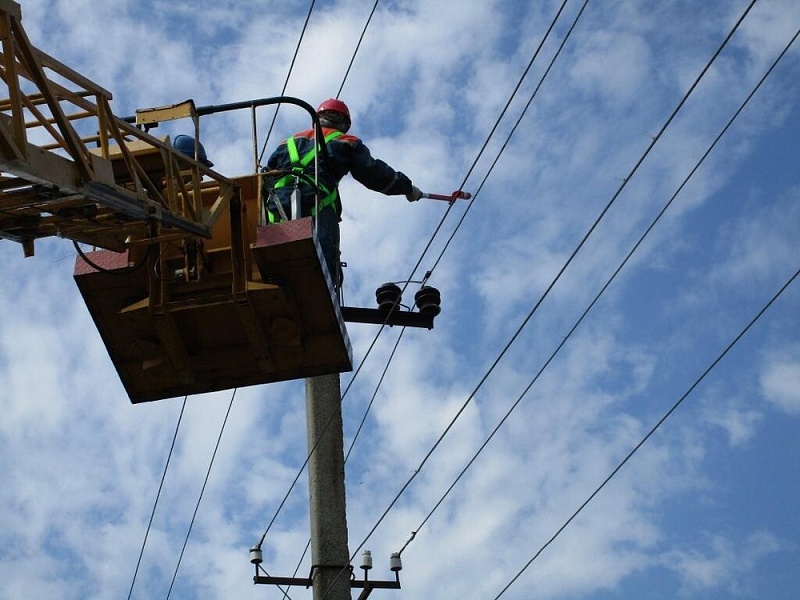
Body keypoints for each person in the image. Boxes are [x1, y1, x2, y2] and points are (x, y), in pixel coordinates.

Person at [265, 98, 422, 287]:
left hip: (277, 204)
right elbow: (373, 172)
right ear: (344, 124)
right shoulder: (346, 141)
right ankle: (322, 288)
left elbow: (267, 176)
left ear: (317, 119)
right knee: (320, 262)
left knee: (274, 249)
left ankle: (272, 278)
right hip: (315, 203)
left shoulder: (288, 142)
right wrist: (406, 187)